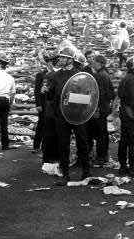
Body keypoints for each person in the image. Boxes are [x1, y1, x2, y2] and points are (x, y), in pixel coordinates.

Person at [44, 46, 91, 185]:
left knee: (83, 143)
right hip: (61, 115)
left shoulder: (79, 75)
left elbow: (86, 97)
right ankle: (65, 174)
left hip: (77, 115)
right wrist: (46, 91)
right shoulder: (54, 76)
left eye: (63, 57)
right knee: (63, 145)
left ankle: (86, 173)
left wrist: (72, 99)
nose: (60, 59)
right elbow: (51, 97)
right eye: (60, 57)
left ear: (71, 60)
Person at [88, 55, 115, 165]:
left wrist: (95, 108)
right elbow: (111, 93)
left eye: (94, 61)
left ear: (99, 63)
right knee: (103, 132)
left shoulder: (99, 75)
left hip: (99, 108)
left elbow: (99, 94)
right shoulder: (105, 74)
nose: (92, 62)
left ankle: (100, 157)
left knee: (99, 133)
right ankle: (104, 155)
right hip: (104, 107)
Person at [32, 53, 54, 153]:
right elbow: (37, 91)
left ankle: (45, 146)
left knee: (49, 126)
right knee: (41, 125)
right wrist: (38, 104)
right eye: (50, 62)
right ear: (48, 63)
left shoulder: (55, 74)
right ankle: (36, 145)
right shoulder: (41, 75)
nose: (52, 64)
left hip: (51, 105)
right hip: (43, 104)